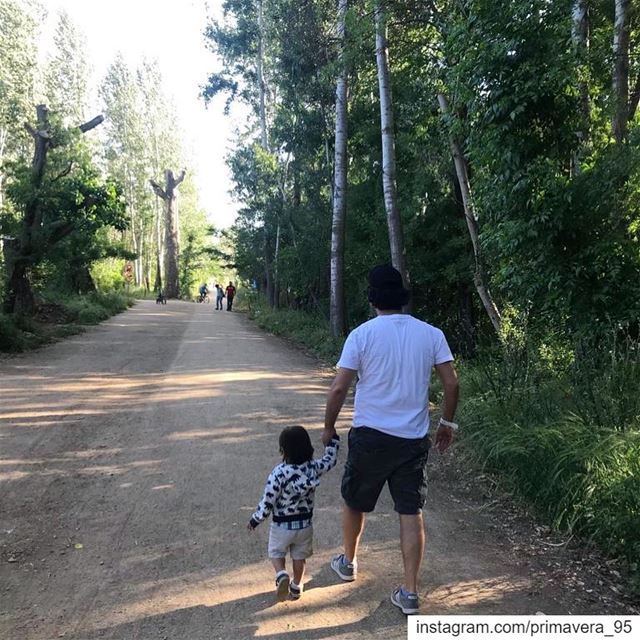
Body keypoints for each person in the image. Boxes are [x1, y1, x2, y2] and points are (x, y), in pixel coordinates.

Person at [322, 264, 459, 615]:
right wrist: (446, 422)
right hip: (412, 441)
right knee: (410, 512)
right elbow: (451, 382)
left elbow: (339, 387)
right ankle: (410, 593)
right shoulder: (431, 334)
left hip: (369, 437)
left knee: (355, 501)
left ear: (372, 299)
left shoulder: (362, 335)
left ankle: (348, 562)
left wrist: (328, 426)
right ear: (401, 297)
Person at [248, 426, 340, 601]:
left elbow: (269, 499)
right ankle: (297, 586)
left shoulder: (279, 473)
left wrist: (256, 519)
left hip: (282, 525)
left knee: (276, 552)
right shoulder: (313, 467)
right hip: (305, 526)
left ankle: (281, 574)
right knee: (299, 557)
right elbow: (330, 460)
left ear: (283, 450)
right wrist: (332, 441)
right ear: (308, 447)